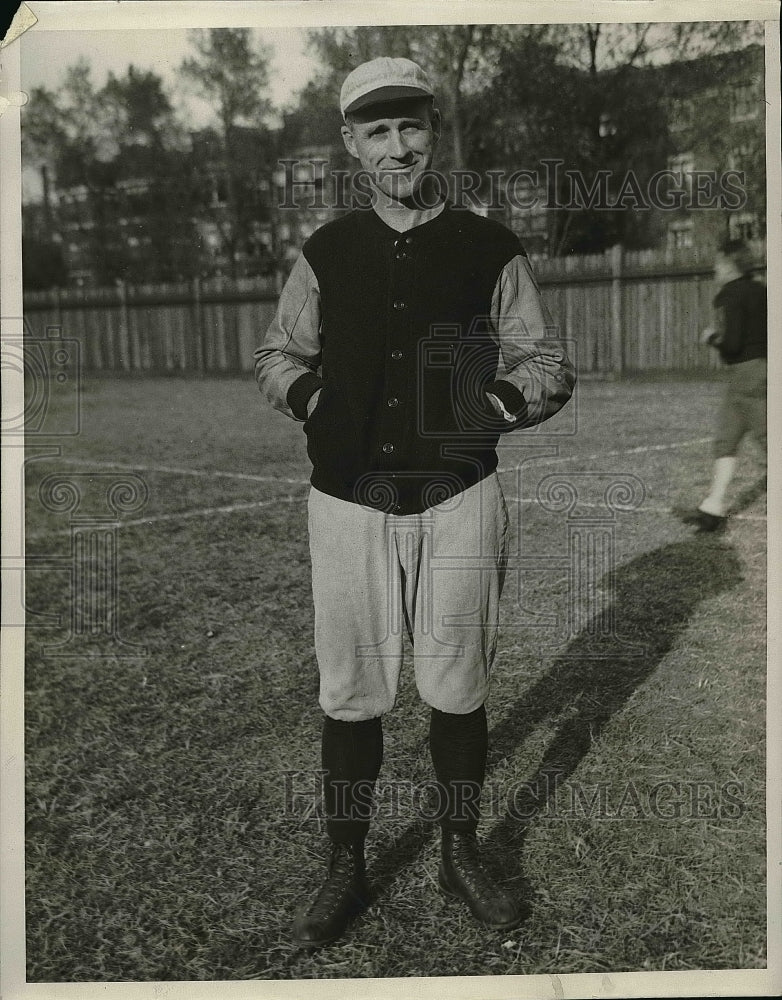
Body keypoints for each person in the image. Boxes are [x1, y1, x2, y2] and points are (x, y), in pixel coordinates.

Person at [254, 56, 576, 948]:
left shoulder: (489, 245)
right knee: (351, 692)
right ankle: (345, 866)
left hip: (459, 495)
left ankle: (459, 853)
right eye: (377, 131)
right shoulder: (327, 251)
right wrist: (315, 399)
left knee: (457, 685)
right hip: (347, 501)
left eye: (410, 126)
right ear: (351, 144)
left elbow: (545, 361)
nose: (397, 148)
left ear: (434, 131)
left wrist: (499, 404)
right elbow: (277, 356)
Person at [681, 238, 767, 532]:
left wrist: (711, 338)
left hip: (746, 373)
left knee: (769, 441)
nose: (715, 269)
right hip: (759, 371)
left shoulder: (728, 295)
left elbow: (732, 344)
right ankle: (713, 507)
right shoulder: (761, 290)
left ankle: (713, 507)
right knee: (726, 438)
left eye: (719, 263)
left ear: (730, 266)